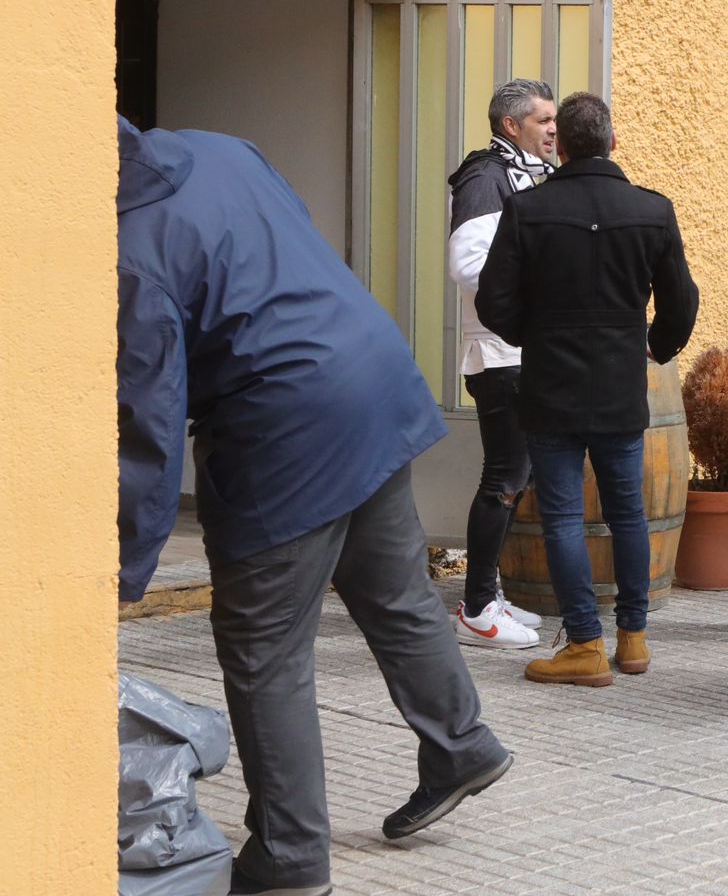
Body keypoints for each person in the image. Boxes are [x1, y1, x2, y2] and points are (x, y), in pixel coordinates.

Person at [116, 118, 511, 893]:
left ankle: (289, 860)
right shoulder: (222, 148)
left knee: (265, 652)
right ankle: (462, 743)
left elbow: (148, 426)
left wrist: (122, 567)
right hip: (368, 372)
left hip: (283, 425)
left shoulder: (130, 250)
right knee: (394, 592)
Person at [475, 92, 698, 688]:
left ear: (563, 145)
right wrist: (655, 345)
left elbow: (493, 300)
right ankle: (632, 638)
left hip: (551, 387)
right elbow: (683, 302)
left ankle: (582, 643)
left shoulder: (528, 209)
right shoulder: (652, 210)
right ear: (613, 142)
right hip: (622, 384)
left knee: (564, 518)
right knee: (628, 513)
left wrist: (537, 335)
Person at [445, 78, 556, 651]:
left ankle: (487, 594)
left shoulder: (526, 174)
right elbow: (469, 263)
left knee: (518, 476)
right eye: (542, 121)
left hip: (522, 351)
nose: (553, 129)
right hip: (499, 350)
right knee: (505, 478)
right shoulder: (485, 177)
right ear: (510, 126)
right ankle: (476, 609)